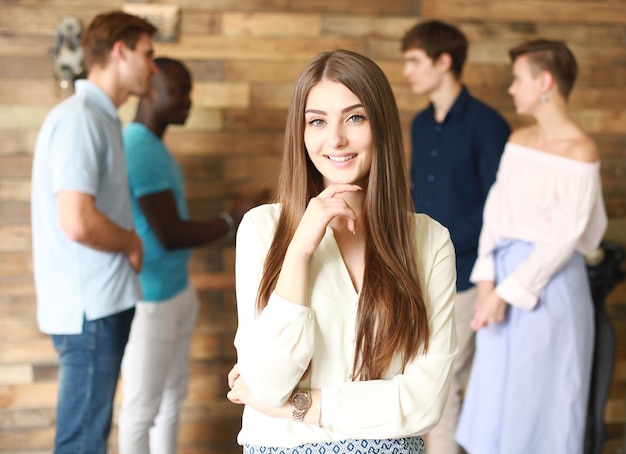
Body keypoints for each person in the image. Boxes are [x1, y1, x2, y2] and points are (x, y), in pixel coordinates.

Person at [225, 49, 458, 454]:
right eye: (316, 121)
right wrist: (300, 250)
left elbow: (425, 402)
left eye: (355, 117)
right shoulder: (262, 229)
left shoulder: (430, 240)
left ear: (380, 126)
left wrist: (298, 406)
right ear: (301, 133)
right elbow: (266, 382)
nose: (335, 139)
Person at [455, 39, 608, 453]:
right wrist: (487, 281)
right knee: (494, 401)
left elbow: (564, 237)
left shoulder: (581, 151)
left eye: (517, 79)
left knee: (541, 403)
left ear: (545, 81)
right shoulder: (519, 140)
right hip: (500, 280)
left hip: (548, 289)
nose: (511, 89)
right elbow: (495, 213)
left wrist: (507, 292)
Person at [118, 57, 267, 454]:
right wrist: (231, 221)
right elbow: (168, 233)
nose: (188, 99)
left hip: (174, 291)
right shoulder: (138, 147)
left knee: (170, 401)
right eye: (179, 90)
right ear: (150, 90)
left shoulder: (153, 147)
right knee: (141, 408)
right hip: (149, 299)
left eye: (190, 90)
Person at [30, 11, 157, 453]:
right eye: (148, 53)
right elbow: (77, 220)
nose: (153, 66)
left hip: (102, 305)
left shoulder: (101, 118)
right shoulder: (82, 118)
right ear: (121, 53)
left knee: (90, 436)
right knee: (82, 443)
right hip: (90, 312)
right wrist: (132, 241)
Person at [400, 20, 510, 454]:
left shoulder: (488, 125)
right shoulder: (420, 124)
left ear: (444, 61)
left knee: (443, 391)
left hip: (467, 278)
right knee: (424, 387)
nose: (407, 71)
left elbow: (499, 211)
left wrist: (441, 243)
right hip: (419, 274)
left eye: (414, 61)